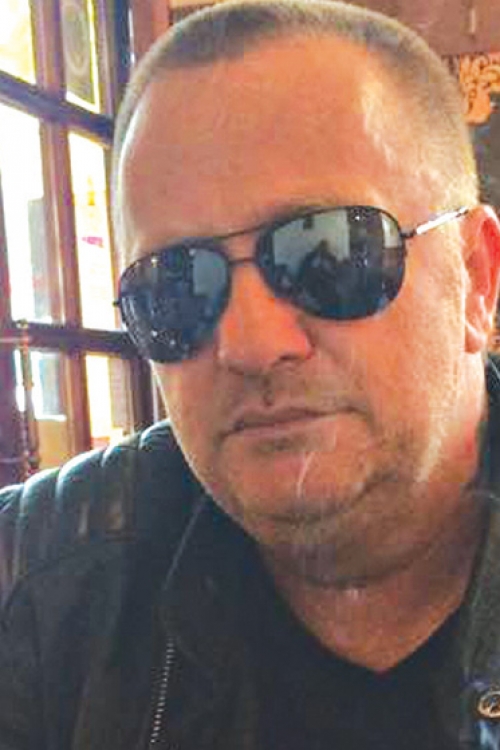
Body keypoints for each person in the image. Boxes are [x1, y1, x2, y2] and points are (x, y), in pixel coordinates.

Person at [1, 1, 500, 747]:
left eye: (330, 252)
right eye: (176, 287)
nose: (251, 342)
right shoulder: (36, 592)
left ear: (476, 278)